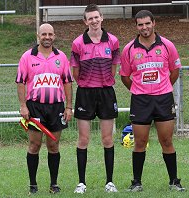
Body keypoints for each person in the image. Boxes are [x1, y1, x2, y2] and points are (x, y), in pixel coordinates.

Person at [120, 10, 185, 192]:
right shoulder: (129, 49)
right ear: (136, 26)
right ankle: (137, 182)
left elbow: (174, 72)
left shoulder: (167, 45)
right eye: (140, 24)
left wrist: (162, 87)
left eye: (147, 23)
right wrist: (139, 89)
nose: (144, 27)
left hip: (163, 99)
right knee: (140, 142)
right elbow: (125, 76)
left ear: (154, 23)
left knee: (166, 141)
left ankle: (174, 181)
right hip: (140, 101)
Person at [16, 23, 73, 195]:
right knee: (34, 145)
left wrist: (69, 107)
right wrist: (23, 106)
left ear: (54, 36)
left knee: (54, 145)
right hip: (35, 108)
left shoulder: (61, 57)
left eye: (50, 34)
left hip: (56, 107)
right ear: (38, 36)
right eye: (44, 34)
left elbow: (68, 82)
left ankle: (54, 184)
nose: (47, 37)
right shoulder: (27, 57)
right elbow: (20, 82)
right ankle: (33, 185)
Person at [70, 4, 120, 193]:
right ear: (85, 21)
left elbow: (114, 67)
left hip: (106, 92)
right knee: (83, 139)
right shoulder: (78, 43)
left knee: (107, 139)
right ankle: (81, 183)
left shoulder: (113, 41)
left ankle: (110, 182)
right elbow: (75, 73)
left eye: (96, 17)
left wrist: (104, 81)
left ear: (102, 18)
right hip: (86, 94)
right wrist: (88, 83)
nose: (94, 21)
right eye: (90, 18)